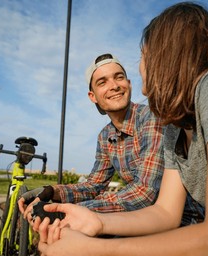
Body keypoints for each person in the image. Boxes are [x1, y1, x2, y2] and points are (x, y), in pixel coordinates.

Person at [36, 2, 208, 256]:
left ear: (165, 54)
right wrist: (94, 221)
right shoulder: (175, 126)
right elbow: (165, 212)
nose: (140, 65)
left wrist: (93, 252)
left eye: (142, 55)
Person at [18, 53, 165, 217]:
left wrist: (68, 212)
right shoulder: (105, 137)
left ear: (129, 84)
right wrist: (52, 191)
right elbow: (94, 186)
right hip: (140, 217)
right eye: (102, 82)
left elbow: (145, 193)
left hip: (177, 220)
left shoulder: (151, 117)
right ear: (92, 96)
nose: (114, 85)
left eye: (119, 77)